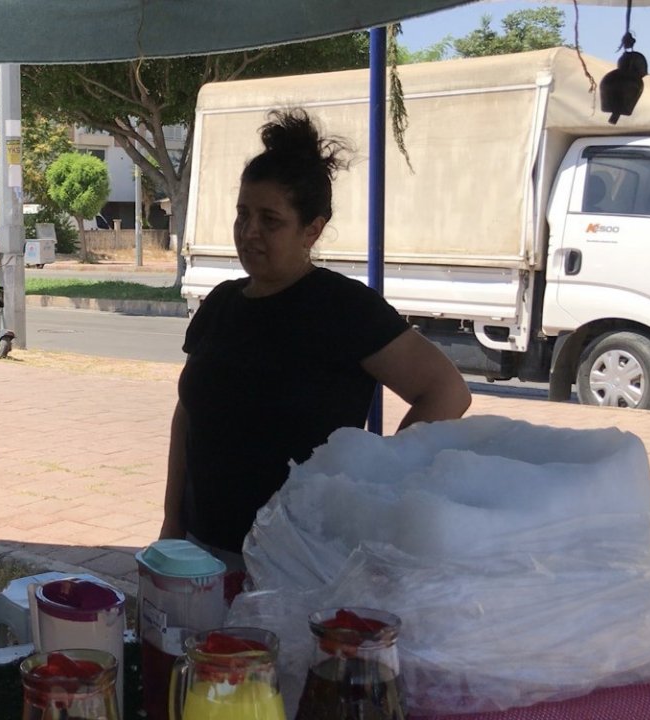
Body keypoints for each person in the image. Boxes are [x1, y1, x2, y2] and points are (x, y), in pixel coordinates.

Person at [160, 109, 471, 573]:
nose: (249, 232)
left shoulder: (343, 307)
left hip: (297, 559)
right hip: (201, 551)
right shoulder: (220, 304)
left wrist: (377, 477)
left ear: (313, 229)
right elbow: (188, 414)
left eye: (270, 220)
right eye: (243, 214)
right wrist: (172, 521)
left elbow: (447, 391)